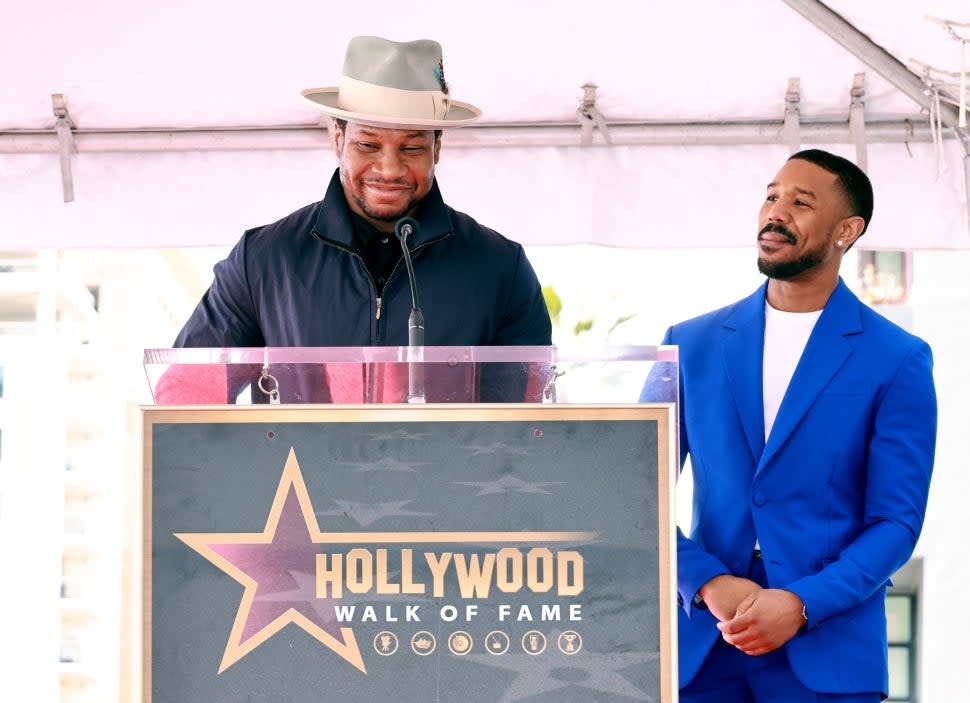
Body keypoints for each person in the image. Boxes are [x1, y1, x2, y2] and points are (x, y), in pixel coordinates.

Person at [648, 149, 936, 702]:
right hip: (702, 643)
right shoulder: (691, 343)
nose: (775, 213)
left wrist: (804, 603)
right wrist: (705, 580)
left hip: (830, 650)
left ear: (847, 231)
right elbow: (635, 489)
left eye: (800, 203)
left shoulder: (897, 358)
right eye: (771, 196)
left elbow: (896, 522)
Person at [164, 36, 551, 403]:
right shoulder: (263, 259)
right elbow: (185, 397)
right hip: (297, 474)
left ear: (438, 148)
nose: (389, 168)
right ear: (338, 140)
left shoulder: (499, 266)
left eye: (412, 147)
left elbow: (524, 425)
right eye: (368, 144)